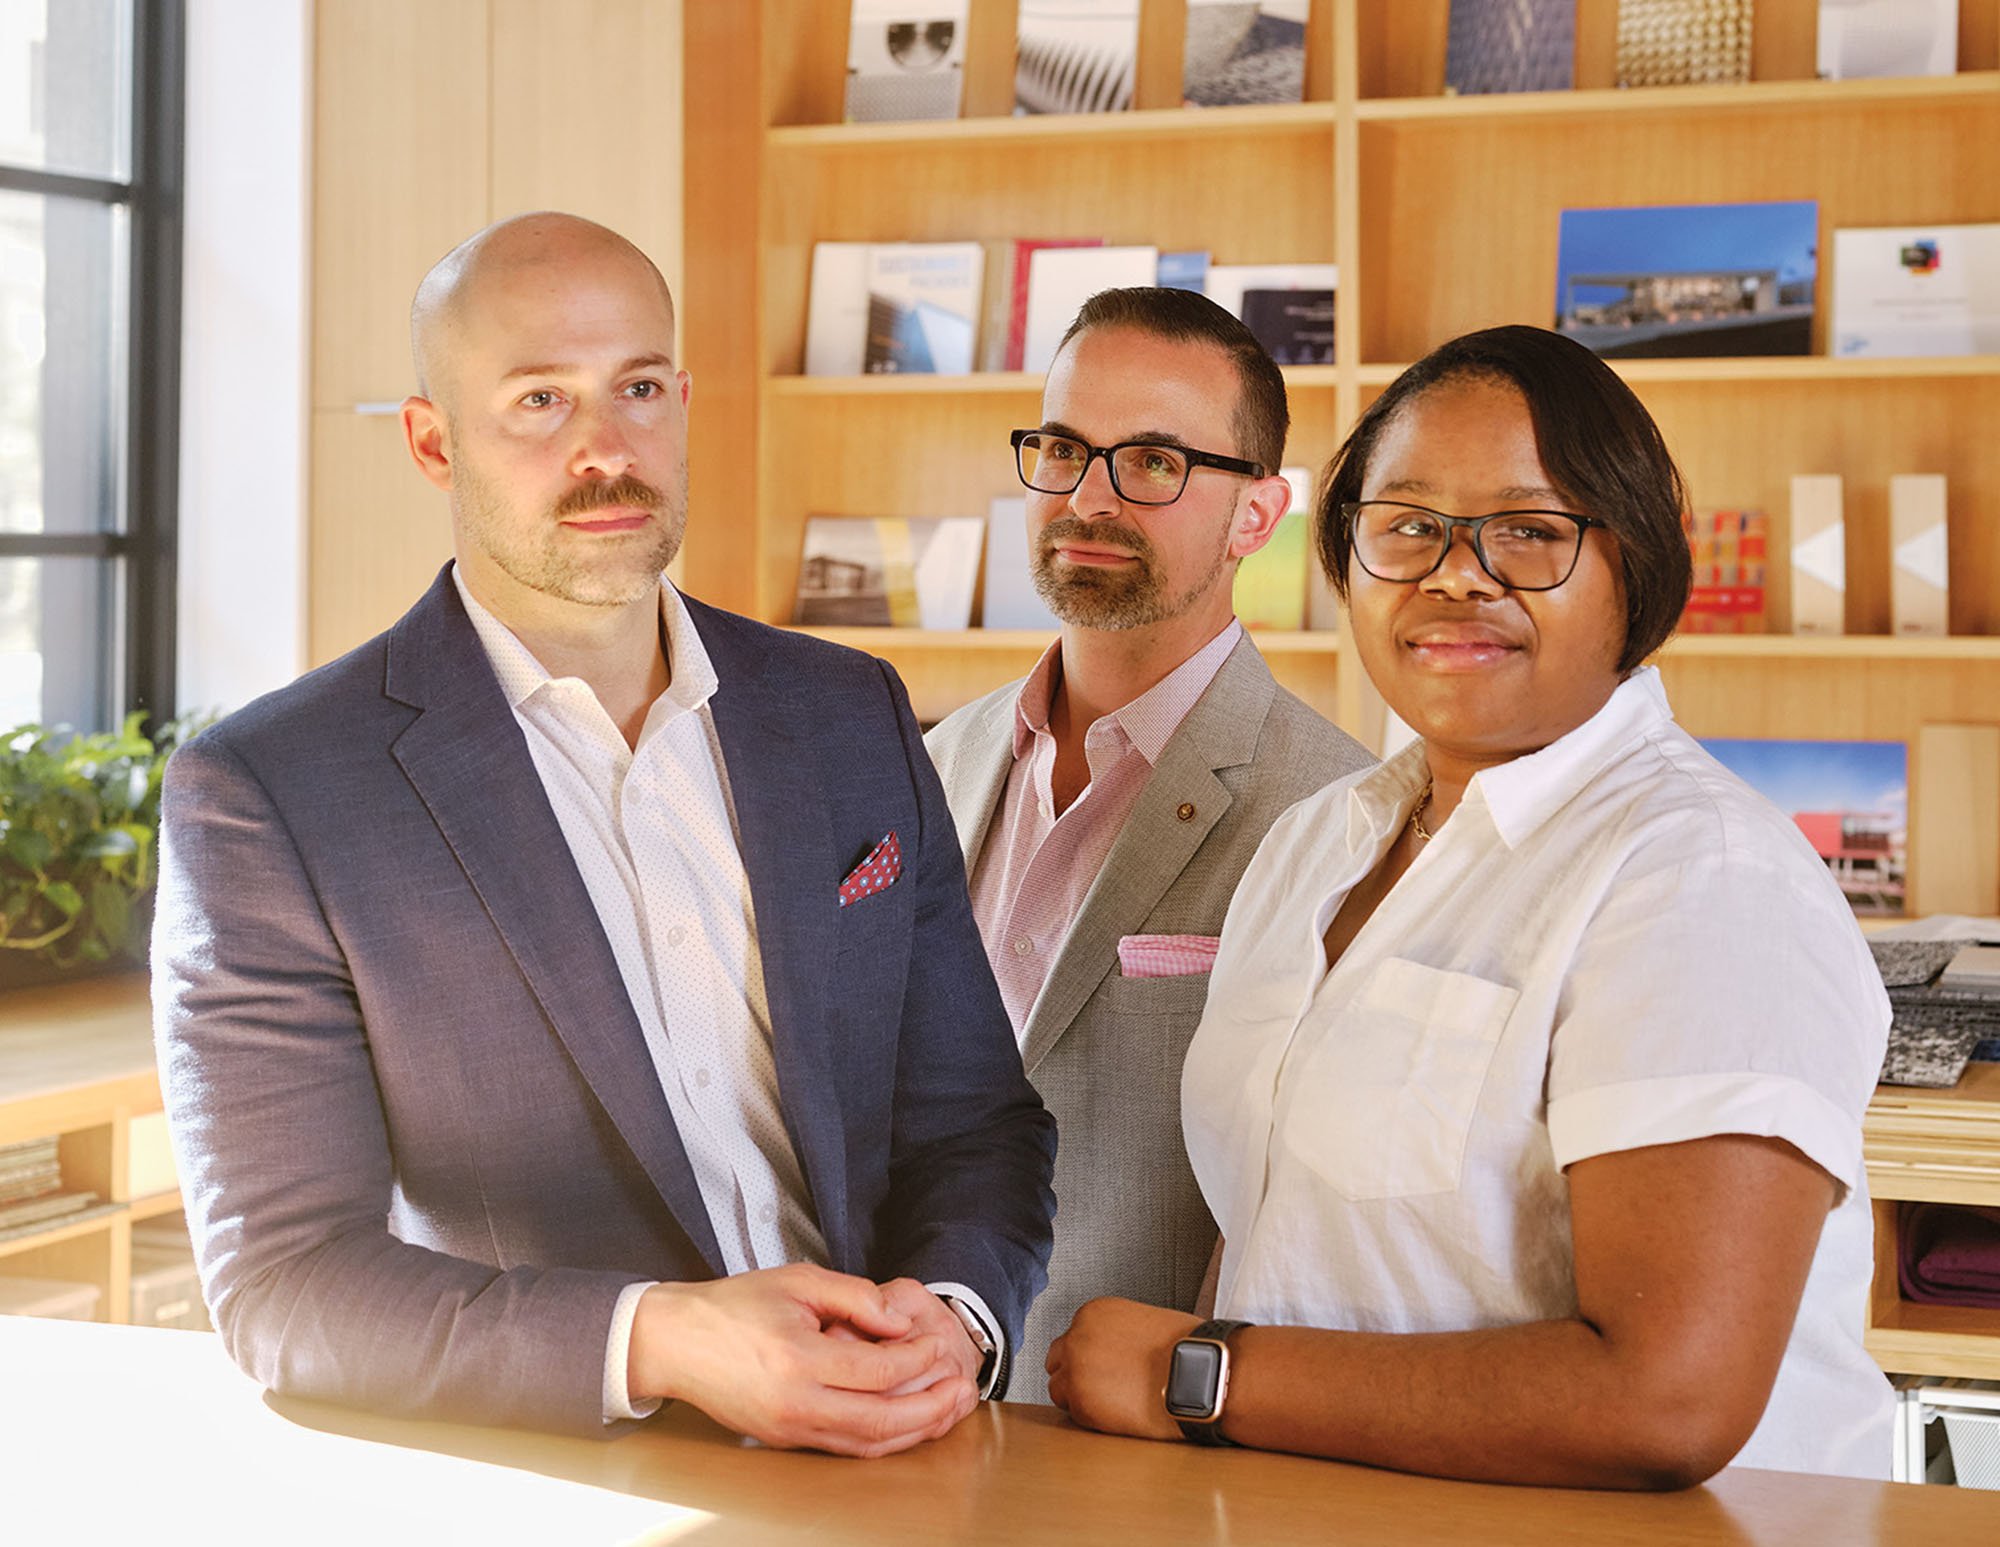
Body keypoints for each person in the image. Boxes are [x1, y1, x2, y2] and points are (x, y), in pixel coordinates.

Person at [152, 213, 1055, 1452]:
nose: (604, 448)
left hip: (895, 1457)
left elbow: (973, 1119)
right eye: (537, 400)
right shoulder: (270, 792)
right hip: (569, 1481)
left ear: (681, 401)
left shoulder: (848, 710)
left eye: (636, 388)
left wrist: (954, 1317)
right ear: (433, 440)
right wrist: (667, 1337)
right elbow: (286, 1285)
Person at [1045, 324, 1894, 1485]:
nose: (1455, 573)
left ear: (1634, 564)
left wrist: (1197, 1377)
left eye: (1529, 533)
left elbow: (1666, 1397)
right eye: (1405, 529)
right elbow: (1272, 1239)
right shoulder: (1316, 845)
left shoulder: (1699, 878)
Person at [924, 287, 1371, 1403]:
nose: (1088, 496)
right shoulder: (929, 760)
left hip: (1146, 1445)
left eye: (1154, 462)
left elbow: (1322, 1214)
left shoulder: (1336, 814)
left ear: (1256, 515)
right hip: (896, 1414)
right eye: (1064, 447)